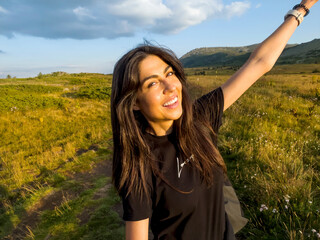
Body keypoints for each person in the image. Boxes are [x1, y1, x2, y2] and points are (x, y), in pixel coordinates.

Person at [111, 0, 318, 239]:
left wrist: (302, 8)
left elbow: (259, 63)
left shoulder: (199, 118)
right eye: (153, 83)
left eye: (169, 73)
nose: (171, 86)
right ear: (134, 102)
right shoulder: (139, 162)